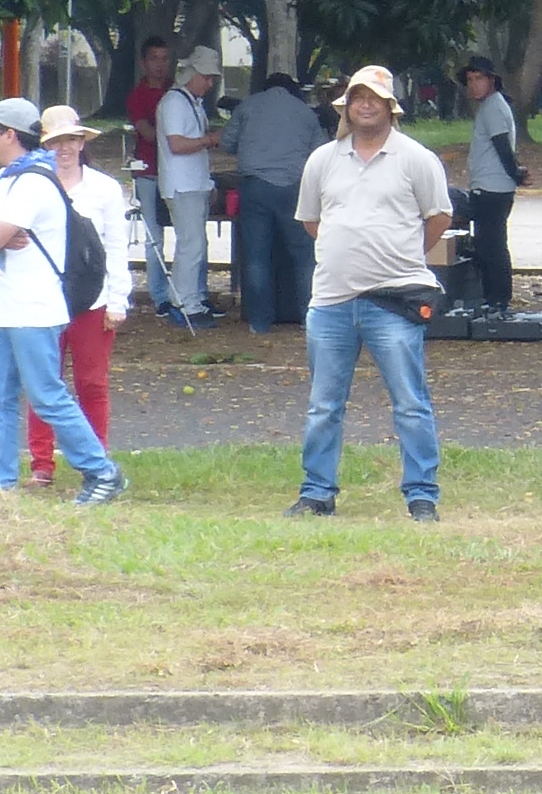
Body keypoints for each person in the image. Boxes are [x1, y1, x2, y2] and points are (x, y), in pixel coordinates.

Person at [293, 64, 453, 519]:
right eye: (357, 97)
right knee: (324, 405)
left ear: (390, 107)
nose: (365, 105)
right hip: (331, 302)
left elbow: (438, 218)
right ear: (346, 106)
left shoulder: (416, 158)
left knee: (410, 403)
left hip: (395, 302)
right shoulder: (323, 160)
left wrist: (405, 258)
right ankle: (316, 493)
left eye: (374, 98)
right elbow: (311, 221)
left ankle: (422, 495)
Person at [0, 94, 124, 503]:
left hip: (33, 308)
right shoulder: (5, 179)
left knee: (47, 396)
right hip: (3, 307)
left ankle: (101, 471)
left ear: (9, 134)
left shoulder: (33, 181)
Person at [30, 104, 136, 486]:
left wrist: (118, 300)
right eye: (56, 141)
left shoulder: (104, 188)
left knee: (92, 383)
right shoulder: (33, 184)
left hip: (92, 299)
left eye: (71, 139)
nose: (65, 148)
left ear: (81, 142)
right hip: (43, 298)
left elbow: (116, 247)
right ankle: (42, 463)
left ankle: (97, 459)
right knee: (44, 382)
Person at [229, 62, 324, 334]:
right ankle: (310, 318)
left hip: (255, 186)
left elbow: (227, 141)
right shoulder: (305, 112)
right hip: (295, 187)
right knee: (304, 255)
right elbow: (319, 151)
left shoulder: (247, 106)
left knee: (257, 257)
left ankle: (259, 323)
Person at [152, 48, 225, 326]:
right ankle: (184, 303)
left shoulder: (191, 102)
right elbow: (177, 144)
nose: (209, 83)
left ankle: (189, 298)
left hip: (194, 183)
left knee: (195, 244)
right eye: (206, 77)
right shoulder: (174, 102)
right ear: (192, 75)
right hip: (182, 185)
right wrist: (210, 140)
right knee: (190, 246)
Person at [454, 55, 523, 318]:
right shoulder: (492, 106)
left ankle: (498, 300)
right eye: (470, 80)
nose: (473, 85)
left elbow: (502, 146)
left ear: (492, 80)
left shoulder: (493, 107)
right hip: (490, 185)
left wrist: (515, 173)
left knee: (491, 246)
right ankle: (495, 298)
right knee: (488, 244)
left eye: (478, 79)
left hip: (492, 188)